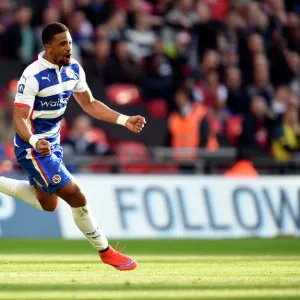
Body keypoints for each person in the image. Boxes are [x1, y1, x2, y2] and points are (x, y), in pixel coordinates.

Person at [0, 23, 146, 271]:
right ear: (48, 47)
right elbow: (19, 120)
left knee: (49, 204)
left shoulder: (74, 69)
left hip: (53, 145)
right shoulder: (32, 76)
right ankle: (106, 250)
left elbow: (90, 104)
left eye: (69, 42)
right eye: (62, 44)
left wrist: (124, 120)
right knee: (75, 195)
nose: (69, 48)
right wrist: (35, 141)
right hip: (32, 148)